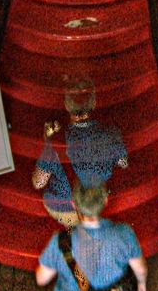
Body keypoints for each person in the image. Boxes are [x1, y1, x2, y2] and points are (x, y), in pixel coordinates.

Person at [33, 77, 127, 227]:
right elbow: (123, 163)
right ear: (94, 103)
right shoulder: (110, 133)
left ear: (66, 104)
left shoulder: (57, 141)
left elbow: (38, 182)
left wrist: (47, 141)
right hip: (96, 202)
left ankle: (73, 230)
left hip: (65, 207)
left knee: (68, 221)